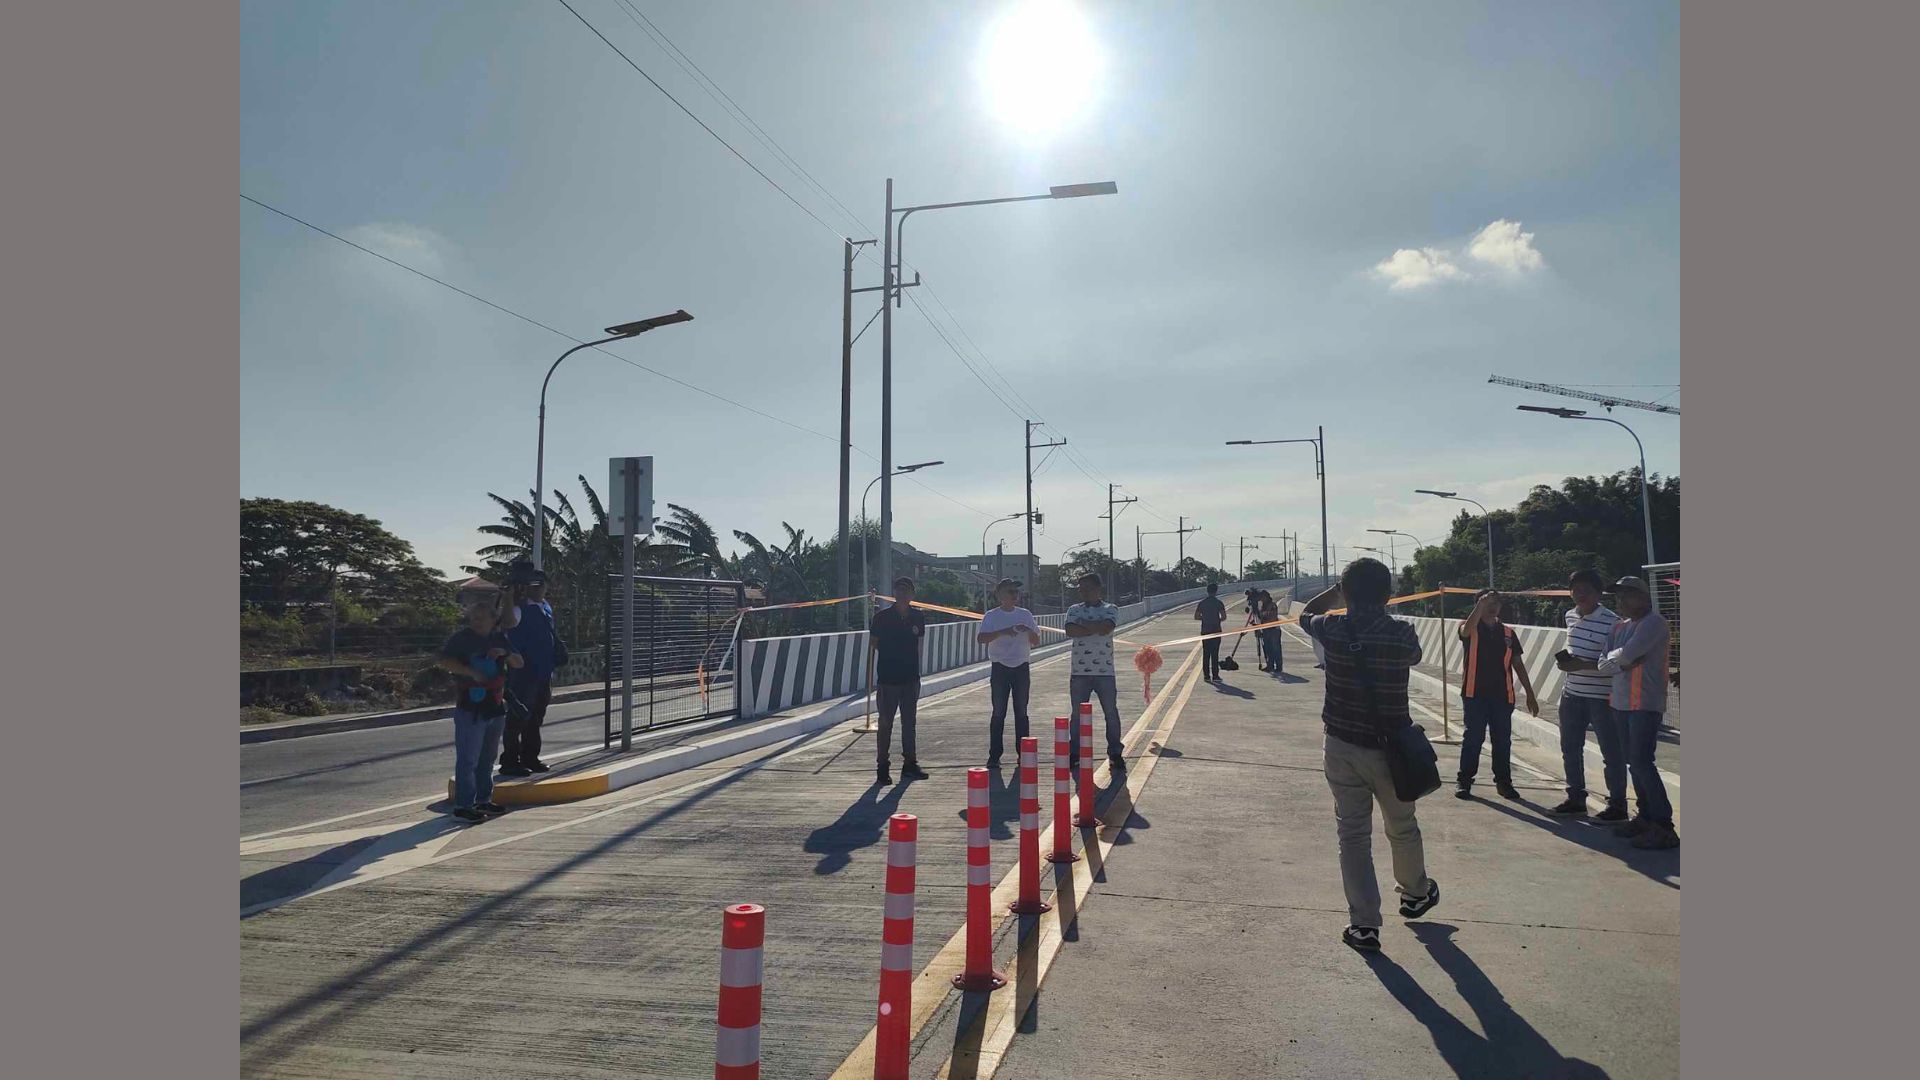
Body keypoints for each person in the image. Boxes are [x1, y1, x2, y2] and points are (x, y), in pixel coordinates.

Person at [1300, 558, 1439, 951]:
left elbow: (1307, 614)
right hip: (1392, 748)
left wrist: (1335, 594)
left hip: (1342, 746)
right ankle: (1414, 893)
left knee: (1353, 835)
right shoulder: (1402, 634)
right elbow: (1414, 658)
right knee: (1402, 825)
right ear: (1388, 595)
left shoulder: (1332, 629)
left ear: (1345, 592)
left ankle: (1364, 924)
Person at [1560, 577, 1677, 849]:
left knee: (1642, 763)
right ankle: (1646, 816)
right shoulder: (1621, 627)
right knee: (1633, 763)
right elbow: (1605, 663)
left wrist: (1618, 660)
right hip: (1621, 703)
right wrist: (1619, 661)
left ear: (1642, 598)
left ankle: (1663, 824)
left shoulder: (1654, 623)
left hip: (1645, 704)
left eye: (1626, 596)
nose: (1620, 602)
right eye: (1618, 597)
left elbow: (1625, 656)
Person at [1548, 569, 1626, 818]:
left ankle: (1617, 804)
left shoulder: (1613, 623)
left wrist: (1582, 665)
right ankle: (1575, 797)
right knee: (1570, 747)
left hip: (1602, 696)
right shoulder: (1570, 616)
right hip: (1572, 693)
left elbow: (1615, 665)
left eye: (1586, 590)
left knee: (1610, 751)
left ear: (1598, 593)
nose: (1580, 595)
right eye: (1575, 590)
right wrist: (1569, 664)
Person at [437, 601, 523, 823]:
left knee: (488, 758)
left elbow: (518, 663)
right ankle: (463, 805)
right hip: (470, 706)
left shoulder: (499, 638)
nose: (476, 621)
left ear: (493, 619)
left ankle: (483, 799)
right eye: (474, 617)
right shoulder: (461, 638)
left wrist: (504, 653)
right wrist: (470, 672)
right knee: (468, 759)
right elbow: (445, 661)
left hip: (494, 706)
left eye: (482, 617)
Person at [1453, 589, 1539, 801]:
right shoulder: (1470, 627)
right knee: (1473, 738)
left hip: (1502, 695)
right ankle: (1464, 781)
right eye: (1487, 603)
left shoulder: (1508, 633)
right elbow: (1464, 633)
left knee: (1502, 741)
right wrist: (1479, 607)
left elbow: (1517, 664)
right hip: (1475, 694)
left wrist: (1529, 693)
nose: (1493, 607)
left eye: (1496, 603)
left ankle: (1504, 782)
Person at [500, 562, 567, 777]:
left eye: (541, 585)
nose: (537, 589)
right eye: (533, 585)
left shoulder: (545, 607)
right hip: (523, 674)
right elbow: (508, 624)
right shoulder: (519, 609)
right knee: (518, 718)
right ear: (525, 587)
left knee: (536, 718)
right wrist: (508, 597)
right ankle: (510, 760)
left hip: (543, 672)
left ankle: (530, 757)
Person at [868, 576, 930, 786]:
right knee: (885, 723)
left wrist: (917, 671)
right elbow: (873, 644)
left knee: (909, 723)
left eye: (907, 590)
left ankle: (910, 764)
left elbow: (919, 645)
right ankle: (882, 767)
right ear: (894, 593)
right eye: (899, 590)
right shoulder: (882, 617)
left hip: (911, 678)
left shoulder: (918, 617)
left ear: (913, 594)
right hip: (888, 678)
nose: (903, 594)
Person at [1064, 573, 1126, 773]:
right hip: (1079, 671)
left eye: (1087, 588)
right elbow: (1071, 631)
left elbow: (1107, 628)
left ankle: (1115, 753)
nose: (1083, 592)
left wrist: (1085, 625)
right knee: (1076, 715)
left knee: (1110, 713)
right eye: (1080, 589)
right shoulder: (1074, 609)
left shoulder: (1111, 609)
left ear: (1098, 588)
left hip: (1104, 671)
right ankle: (1074, 753)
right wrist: (1095, 627)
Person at [978, 578, 1041, 768]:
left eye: (1016, 592)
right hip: (1000, 667)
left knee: (1021, 712)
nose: (1014, 595)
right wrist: (1004, 631)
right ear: (999, 595)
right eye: (1010, 592)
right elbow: (981, 638)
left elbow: (1036, 640)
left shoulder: (1025, 614)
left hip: (1021, 666)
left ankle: (1023, 755)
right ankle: (994, 756)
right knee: (998, 712)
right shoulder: (992, 616)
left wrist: (1028, 630)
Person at [1194, 582, 1228, 680]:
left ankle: (1206, 675)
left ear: (1207, 591)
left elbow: (1196, 616)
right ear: (1216, 591)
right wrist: (1217, 620)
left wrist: (1204, 618)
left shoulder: (1202, 603)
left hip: (1205, 630)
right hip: (1216, 630)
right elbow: (1224, 617)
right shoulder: (1219, 603)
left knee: (1206, 653)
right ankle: (1215, 675)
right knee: (1215, 653)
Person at [1259, 592, 1285, 675]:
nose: (1261, 599)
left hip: (1274, 630)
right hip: (1266, 630)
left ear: (1266, 597)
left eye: (1262, 597)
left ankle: (1278, 666)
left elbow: (1272, 617)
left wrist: (1263, 616)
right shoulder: (1263, 606)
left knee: (1275, 648)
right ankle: (1270, 665)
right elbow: (1261, 617)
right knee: (1267, 648)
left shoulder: (1272, 605)